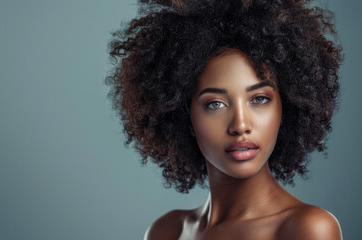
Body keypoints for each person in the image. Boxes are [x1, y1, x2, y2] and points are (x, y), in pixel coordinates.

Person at [106, 0, 343, 239]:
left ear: (287, 107)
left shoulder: (307, 229)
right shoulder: (167, 232)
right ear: (184, 116)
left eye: (259, 99)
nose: (240, 125)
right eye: (215, 104)